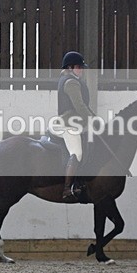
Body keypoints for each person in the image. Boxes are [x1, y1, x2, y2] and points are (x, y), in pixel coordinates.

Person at [54, 51, 95, 201]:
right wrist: (91, 119)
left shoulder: (69, 79)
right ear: (70, 67)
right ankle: (67, 189)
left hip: (74, 121)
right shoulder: (71, 82)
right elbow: (79, 105)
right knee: (76, 153)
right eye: (79, 67)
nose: (82, 70)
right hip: (69, 123)